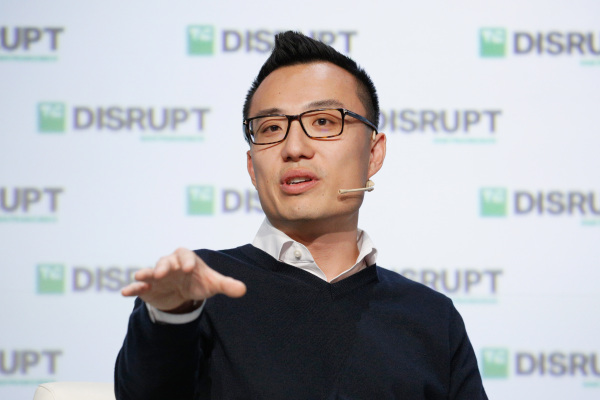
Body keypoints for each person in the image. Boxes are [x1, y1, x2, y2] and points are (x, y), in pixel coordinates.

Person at [114, 31, 488, 400]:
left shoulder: (431, 317)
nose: (294, 147)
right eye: (271, 128)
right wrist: (172, 317)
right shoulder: (200, 289)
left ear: (373, 154)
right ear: (252, 166)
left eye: (323, 122)